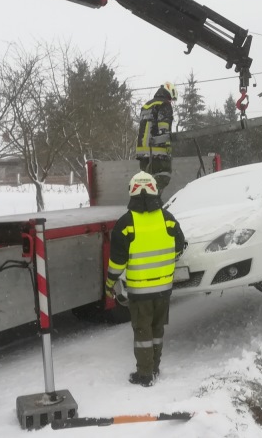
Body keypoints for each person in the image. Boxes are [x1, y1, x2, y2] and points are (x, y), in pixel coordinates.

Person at [105, 171, 185, 387]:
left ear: (131, 191)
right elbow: (180, 245)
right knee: (157, 330)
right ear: (155, 190)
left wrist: (110, 283)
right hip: (164, 289)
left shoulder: (126, 223)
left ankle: (145, 375)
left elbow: (117, 262)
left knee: (143, 333)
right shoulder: (168, 219)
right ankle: (154, 367)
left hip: (140, 292)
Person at [136, 83, 177, 196]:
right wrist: (168, 147)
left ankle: (143, 202)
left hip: (142, 151)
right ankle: (152, 201)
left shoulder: (146, 105)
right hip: (156, 150)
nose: (171, 102)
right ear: (170, 93)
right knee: (163, 176)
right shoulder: (164, 104)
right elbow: (164, 127)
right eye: (172, 99)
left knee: (146, 180)